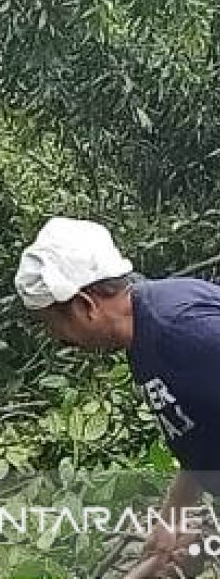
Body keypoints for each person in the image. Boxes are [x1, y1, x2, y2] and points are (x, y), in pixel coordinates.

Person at [15, 217, 220, 574]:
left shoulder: (182, 332)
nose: (60, 341)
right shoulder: (146, 335)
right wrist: (172, 518)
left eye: (53, 325)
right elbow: (203, 433)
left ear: (84, 306)